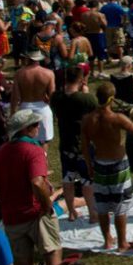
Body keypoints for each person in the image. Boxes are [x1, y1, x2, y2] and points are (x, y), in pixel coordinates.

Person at [0, 109, 65, 265]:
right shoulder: (33, 150)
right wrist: (46, 206)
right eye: (34, 125)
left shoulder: (1, 151)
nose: (38, 127)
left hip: (11, 216)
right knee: (54, 262)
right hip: (35, 214)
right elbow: (37, 182)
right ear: (24, 129)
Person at [80, 82, 133, 252]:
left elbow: (84, 147)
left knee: (102, 206)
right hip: (118, 165)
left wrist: (89, 166)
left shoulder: (88, 119)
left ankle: (107, 240)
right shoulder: (117, 118)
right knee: (120, 206)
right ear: (112, 99)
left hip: (99, 164)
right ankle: (122, 242)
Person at [49, 67, 99, 223]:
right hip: (83, 145)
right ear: (81, 79)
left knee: (68, 180)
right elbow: (95, 109)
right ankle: (92, 213)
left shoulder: (56, 97)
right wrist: (85, 91)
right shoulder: (85, 99)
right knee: (88, 181)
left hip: (66, 144)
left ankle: (71, 212)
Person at [11, 50, 56, 153]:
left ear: (28, 58)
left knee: (25, 139)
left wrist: (12, 112)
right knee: (43, 140)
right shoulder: (48, 73)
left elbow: (15, 96)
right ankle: (43, 164)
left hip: (25, 107)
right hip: (42, 107)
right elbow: (52, 94)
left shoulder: (19, 73)